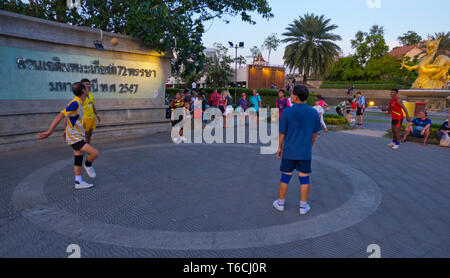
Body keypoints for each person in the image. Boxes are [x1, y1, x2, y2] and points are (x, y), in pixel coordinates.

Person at [37, 82, 98, 189]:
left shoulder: (79, 102)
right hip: (75, 138)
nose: (88, 89)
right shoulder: (75, 103)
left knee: (78, 158)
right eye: (86, 87)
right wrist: (49, 132)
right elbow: (60, 115)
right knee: (94, 153)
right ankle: (88, 164)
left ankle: (78, 182)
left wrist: (66, 130)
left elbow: (68, 117)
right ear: (83, 91)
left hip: (76, 136)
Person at [273, 85, 321, 215]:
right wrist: (309, 146)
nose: (290, 96)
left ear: (296, 96)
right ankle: (303, 207)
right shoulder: (313, 112)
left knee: (285, 177)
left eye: (292, 94)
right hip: (305, 152)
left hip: (289, 151)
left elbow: (282, 132)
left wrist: (279, 147)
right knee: (304, 180)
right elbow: (315, 134)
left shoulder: (288, 111)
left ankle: (280, 204)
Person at [80, 79, 101, 145]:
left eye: (89, 84)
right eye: (86, 84)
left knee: (89, 135)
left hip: (91, 117)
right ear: (82, 85)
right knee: (85, 135)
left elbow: (92, 105)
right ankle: (84, 149)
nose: (88, 85)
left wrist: (97, 115)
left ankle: (88, 147)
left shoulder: (90, 94)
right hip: (85, 118)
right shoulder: (80, 95)